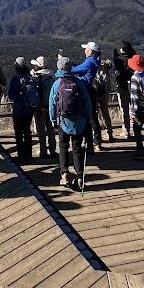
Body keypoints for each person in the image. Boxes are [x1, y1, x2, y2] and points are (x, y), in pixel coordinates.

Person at [49, 57, 93, 189]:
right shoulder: (79, 83)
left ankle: (64, 174)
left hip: (63, 121)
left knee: (63, 146)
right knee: (77, 148)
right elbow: (87, 102)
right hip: (79, 121)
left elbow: (52, 104)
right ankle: (80, 177)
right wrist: (88, 117)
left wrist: (53, 119)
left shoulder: (57, 84)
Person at [71, 41, 102, 152]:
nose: (85, 51)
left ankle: (90, 144)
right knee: (93, 116)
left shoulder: (89, 61)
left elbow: (74, 70)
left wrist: (67, 63)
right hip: (92, 91)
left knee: (88, 117)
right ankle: (97, 142)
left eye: (86, 49)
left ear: (91, 51)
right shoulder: (96, 61)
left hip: (86, 91)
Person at [7, 57, 37, 163]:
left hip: (19, 109)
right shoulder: (29, 77)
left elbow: (10, 95)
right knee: (27, 131)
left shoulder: (15, 79)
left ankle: (21, 156)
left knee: (19, 133)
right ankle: (29, 155)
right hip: (30, 109)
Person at [31, 56, 57, 159]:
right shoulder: (52, 75)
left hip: (40, 108)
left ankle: (43, 151)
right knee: (51, 129)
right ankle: (53, 150)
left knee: (41, 130)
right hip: (51, 107)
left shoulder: (37, 77)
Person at [89, 58, 116, 148]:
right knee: (105, 113)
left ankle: (96, 137)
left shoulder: (92, 67)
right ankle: (110, 134)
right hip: (105, 93)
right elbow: (108, 81)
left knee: (94, 115)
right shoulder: (104, 69)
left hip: (95, 93)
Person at [114, 42, 136, 139]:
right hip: (133, 86)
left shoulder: (118, 60)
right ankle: (136, 129)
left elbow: (114, 68)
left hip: (122, 86)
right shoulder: (133, 59)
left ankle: (126, 130)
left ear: (122, 49)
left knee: (124, 109)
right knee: (134, 108)